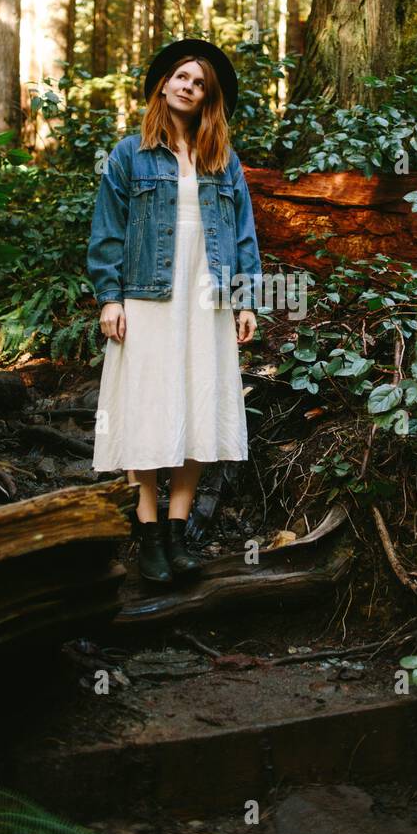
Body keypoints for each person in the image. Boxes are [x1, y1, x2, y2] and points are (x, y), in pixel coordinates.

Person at [86, 38, 263, 587]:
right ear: (163, 84)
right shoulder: (128, 154)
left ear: (208, 98)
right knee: (148, 406)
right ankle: (149, 534)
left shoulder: (222, 159)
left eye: (200, 83)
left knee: (198, 399)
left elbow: (243, 233)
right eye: (182, 77)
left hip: (206, 296)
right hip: (147, 294)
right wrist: (110, 298)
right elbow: (107, 232)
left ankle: (180, 528)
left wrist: (245, 298)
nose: (189, 86)